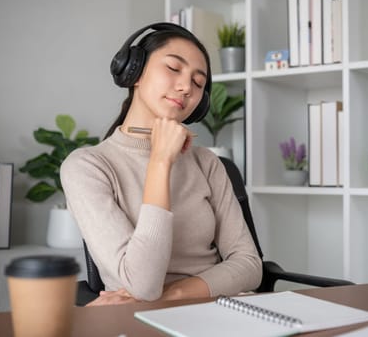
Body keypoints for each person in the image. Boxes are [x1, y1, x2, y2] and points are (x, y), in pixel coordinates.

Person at [60, 22, 262, 306]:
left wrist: (174, 294)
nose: (185, 87)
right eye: (173, 68)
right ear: (134, 72)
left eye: (198, 83)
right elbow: (142, 284)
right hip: (137, 319)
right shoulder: (87, 167)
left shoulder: (207, 162)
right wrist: (160, 161)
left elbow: (250, 265)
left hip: (218, 308)